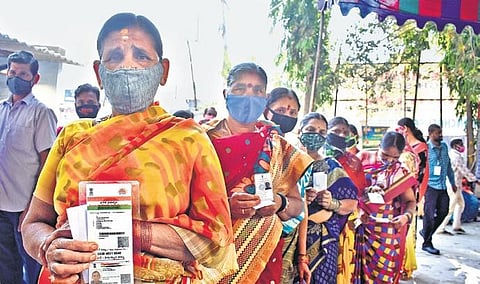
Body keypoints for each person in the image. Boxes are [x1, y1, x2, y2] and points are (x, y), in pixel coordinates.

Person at [21, 12, 237, 283]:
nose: (128, 66)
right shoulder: (72, 138)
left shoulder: (187, 138)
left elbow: (216, 240)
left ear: (164, 71)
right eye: (114, 57)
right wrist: (48, 247)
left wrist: (132, 232)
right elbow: (32, 223)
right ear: (99, 73)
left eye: (142, 56)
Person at [204, 62, 313, 283]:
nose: (249, 95)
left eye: (257, 90)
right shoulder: (201, 139)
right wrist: (225, 206)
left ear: (265, 98)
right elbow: (181, 202)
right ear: (226, 94)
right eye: (240, 89)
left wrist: (279, 203)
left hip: (263, 256)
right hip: (211, 256)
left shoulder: (278, 146)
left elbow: (296, 205)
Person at [0, 50, 57, 284]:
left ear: (35, 79)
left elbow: (48, 163)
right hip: (1, 205)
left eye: (23, 74)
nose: (16, 77)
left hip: (24, 207)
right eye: (12, 72)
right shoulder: (1, 108)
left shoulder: (41, 113)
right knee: (5, 267)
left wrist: (32, 208)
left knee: (32, 266)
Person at [295, 112, 358, 284]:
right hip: (289, 238)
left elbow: (352, 204)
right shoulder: (288, 161)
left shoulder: (331, 166)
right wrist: (300, 199)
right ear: (300, 131)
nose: (316, 135)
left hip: (323, 242)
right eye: (310, 129)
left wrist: (332, 203)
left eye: (322, 132)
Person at [354, 131, 417, 284]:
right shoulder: (361, 160)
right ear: (379, 146)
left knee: (383, 274)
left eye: (395, 158)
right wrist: (366, 193)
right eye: (385, 155)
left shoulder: (400, 172)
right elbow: (349, 190)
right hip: (360, 224)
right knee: (355, 271)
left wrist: (405, 217)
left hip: (386, 231)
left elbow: (410, 202)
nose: (389, 161)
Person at [325, 116, 365, 284]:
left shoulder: (354, 161)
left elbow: (360, 190)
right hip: (322, 220)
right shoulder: (318, 157)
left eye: (345, 132)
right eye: (336, 131)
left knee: (342, 264)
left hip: (348, 221)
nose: (341, 135)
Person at [420, 124, 456, 255]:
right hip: (430, 187)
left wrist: (452, 182)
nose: (440, 135)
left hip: (442, 186)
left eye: (441, 133)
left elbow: (448, 166)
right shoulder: (426, 149)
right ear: (430, 134)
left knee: (444, 211)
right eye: (437, 133)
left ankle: (426, 232)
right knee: (429, 216)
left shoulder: (445, 147)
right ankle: (427, 243)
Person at [438, 138, 478, 234]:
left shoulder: (454, 155)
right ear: (455, 145)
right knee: (451, 207)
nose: (462, 146)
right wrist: (475, 180)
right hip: (454, 185)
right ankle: (440, 227)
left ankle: (456, 225)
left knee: (460, 204)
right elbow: (463, 169)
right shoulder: (455, 156)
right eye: (460, 144)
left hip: (457, 184)